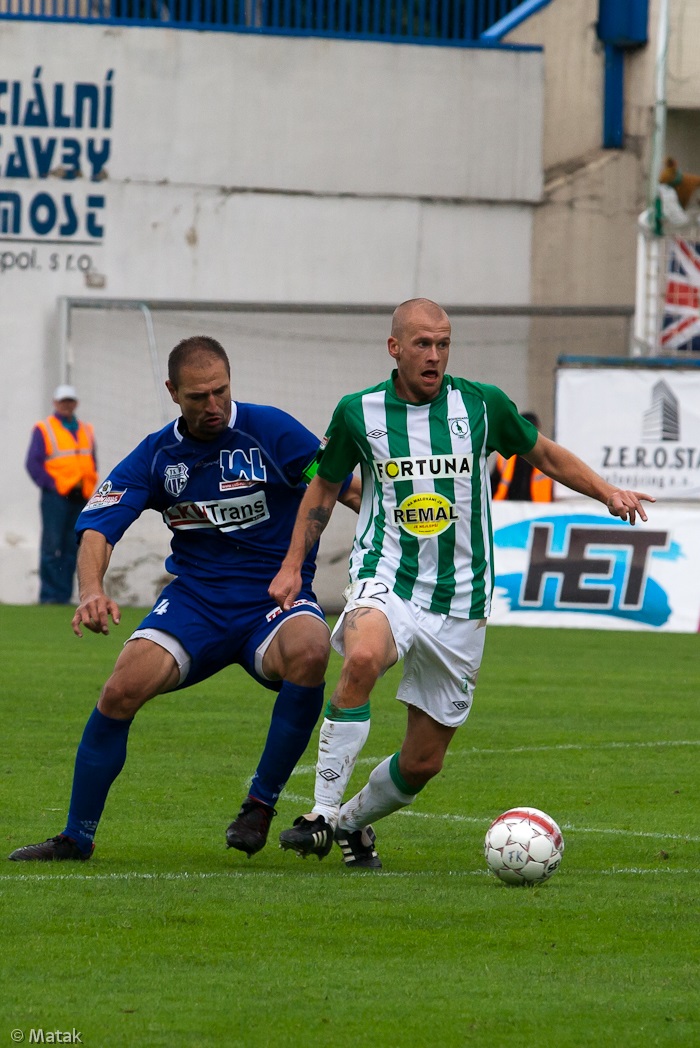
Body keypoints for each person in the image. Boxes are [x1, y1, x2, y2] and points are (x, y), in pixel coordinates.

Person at [270, 298, 655, 870]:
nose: (435, 355)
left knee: (423, 762)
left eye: (444, 344)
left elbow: (542, 453)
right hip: (387, 578)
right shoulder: (358, 412)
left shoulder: (481, 404)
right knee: (363, 656)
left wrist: (608, 493)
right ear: (394, 348)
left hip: (462, 600)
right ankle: (321, 814)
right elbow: (325, 488)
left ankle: (351, 825)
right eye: (423, 344)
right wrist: (290, 565)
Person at [9, 336, 359, 863]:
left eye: (220, 391)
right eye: (199, 396)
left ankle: (259, 804)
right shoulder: (157, 456)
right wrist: (91, 590)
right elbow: (99, 530)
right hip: (196, 604)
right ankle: (76, 837)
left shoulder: (272, 432)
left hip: (273, 599)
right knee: (119, 691)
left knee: (312, 651)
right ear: (173, 392)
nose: (213, 405)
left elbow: (340, 487)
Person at [26, 385, 98, 605]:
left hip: (80, 495)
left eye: (70, 401)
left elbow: (91, 460)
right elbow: (33, 463)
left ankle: (64, 595)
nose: (67, 405)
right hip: (56, 496)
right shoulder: (44, 428)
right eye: (63, 401)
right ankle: (49, 596)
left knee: (72, 546)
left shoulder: (86, 429)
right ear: (55, 403)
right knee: (51, 545)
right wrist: (52, 485)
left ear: (75, 404)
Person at [491, 411, 553, 501]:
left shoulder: (545, 454)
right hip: (509, 507)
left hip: (538, 508)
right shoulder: (506, 454)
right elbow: (494, 480)